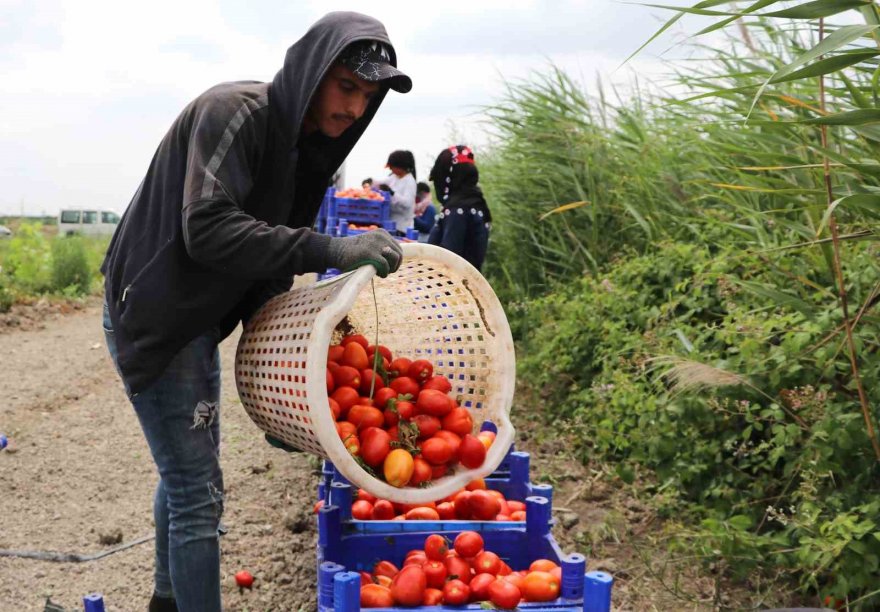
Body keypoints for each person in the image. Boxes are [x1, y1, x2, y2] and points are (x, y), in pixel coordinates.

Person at [100, 12, 411, 612]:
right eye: (347, 86)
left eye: (367, 97)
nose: (354, 107)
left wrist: (284, 388)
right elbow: (208, 229)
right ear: (313, 72)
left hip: (196, 316)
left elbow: (269, 265)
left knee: (187, 470)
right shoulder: (235, 112)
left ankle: (167, 600)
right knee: (198, 490)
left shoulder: (307, 153)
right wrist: (332, 248)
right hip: (158, 312)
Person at [428, 145, 491, 270]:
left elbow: (448, 261)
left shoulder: (458, 210)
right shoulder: (477, 204)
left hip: (453, 287)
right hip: (467, 285)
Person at [377, 149, 417, 234]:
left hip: (402, 228)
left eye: (392, 167)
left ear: (399, 166)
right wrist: (371, 182)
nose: (390, 169)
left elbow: (407, 203)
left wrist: (392, 193)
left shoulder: (409, 181)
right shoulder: (393, 178)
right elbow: (381, 183)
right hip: (389, 226)